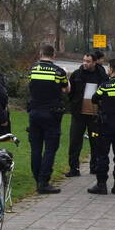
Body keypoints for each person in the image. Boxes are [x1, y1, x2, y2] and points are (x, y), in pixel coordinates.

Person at [27, 44, 68, 194]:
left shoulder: (33, 69)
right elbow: (65, 89)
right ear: (54, 55)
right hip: (51, 113)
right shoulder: (58, 71)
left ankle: (37, 179)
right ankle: (44, 182)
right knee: (50, 148)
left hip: (34, 112)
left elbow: (31, 86)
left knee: (36, 148)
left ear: (40, 53)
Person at [88, 57, 115, 196]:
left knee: (103, 155)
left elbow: (94, 99)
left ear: (112, 69)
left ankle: (102, 185)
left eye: (108, 68)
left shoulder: (105, 86)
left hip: (106, 125)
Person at [65, 52, 108, 177]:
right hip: (79, 115)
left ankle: (94, 167)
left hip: (95, 116)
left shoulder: (102, 76)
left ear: (94, 62)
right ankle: (74, 168)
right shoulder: (77, 75)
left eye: (88, 61)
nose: (85, 63)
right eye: (84, 60)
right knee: (75, 141)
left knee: (95, 141)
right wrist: (73, 104)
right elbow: (70, 91)